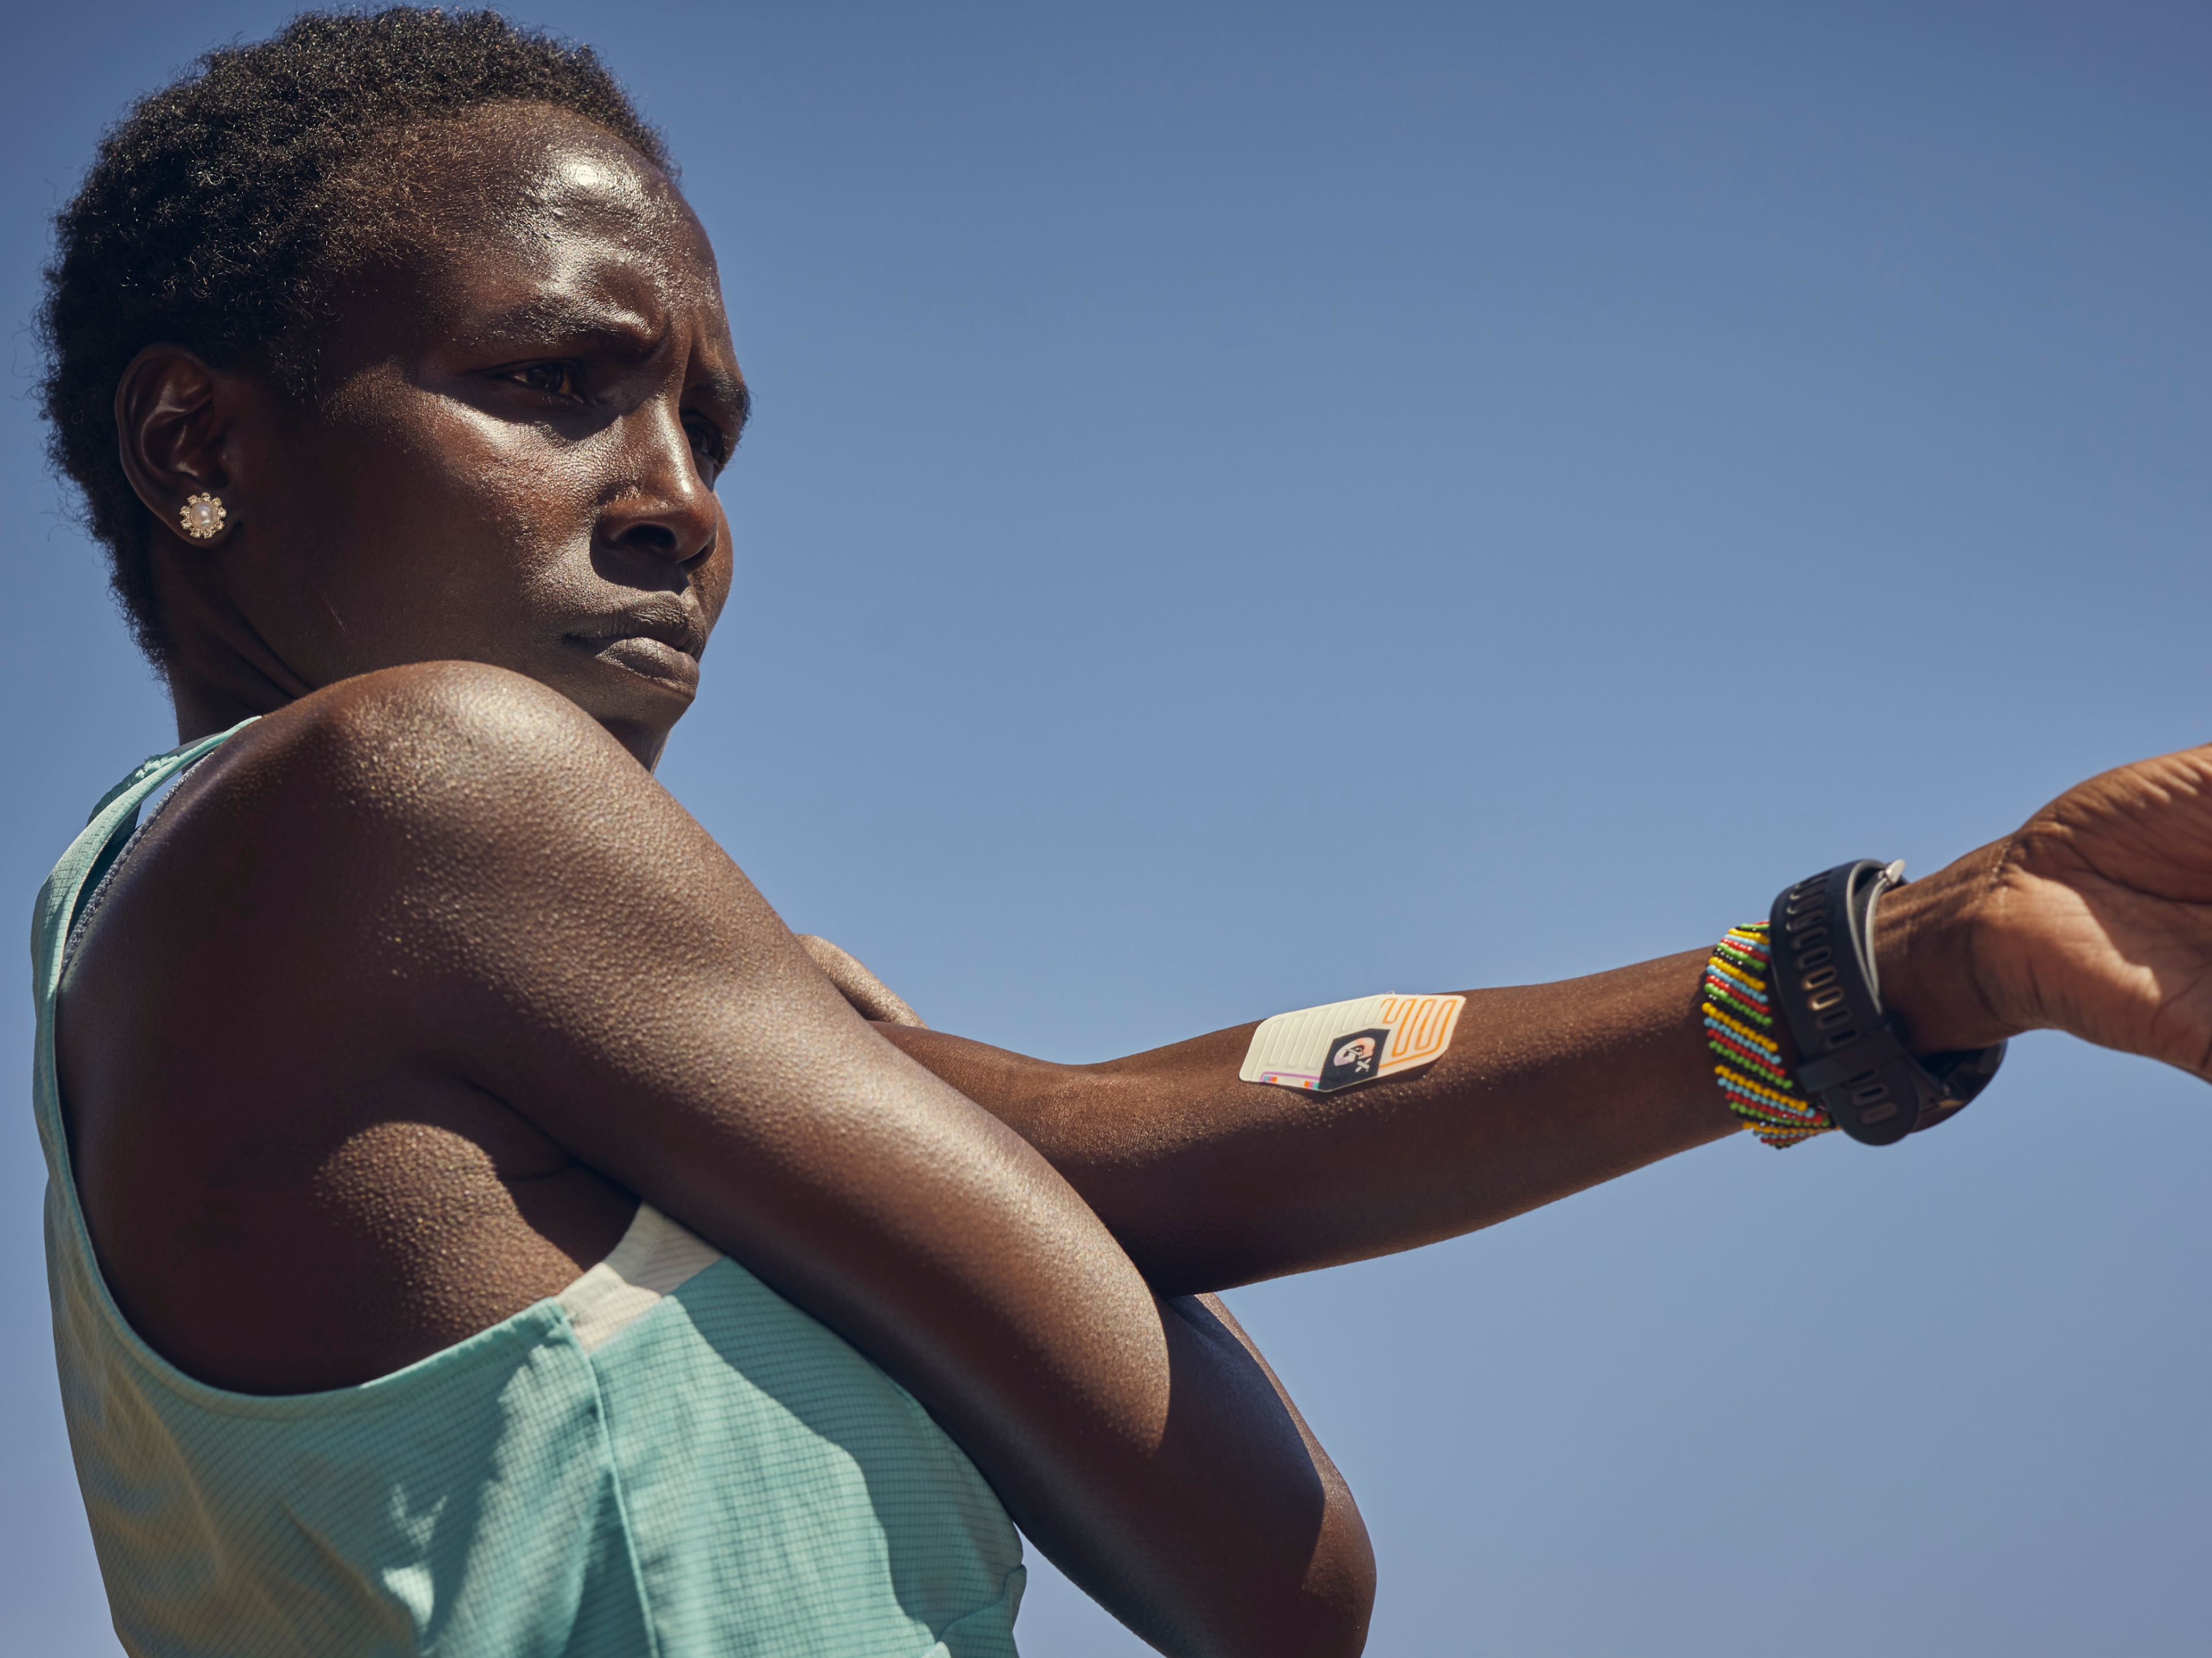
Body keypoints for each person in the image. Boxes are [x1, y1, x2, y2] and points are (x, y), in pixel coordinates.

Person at [29, 10, 2212, 1657]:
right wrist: (944, 1117)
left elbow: (1102, 1131)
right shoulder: (421, 782)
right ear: (195, 439)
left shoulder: (219, 928)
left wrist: (1919, 953)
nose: (677, 502)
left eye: (708, 423)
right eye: (549, 385)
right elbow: (1273, 1561)